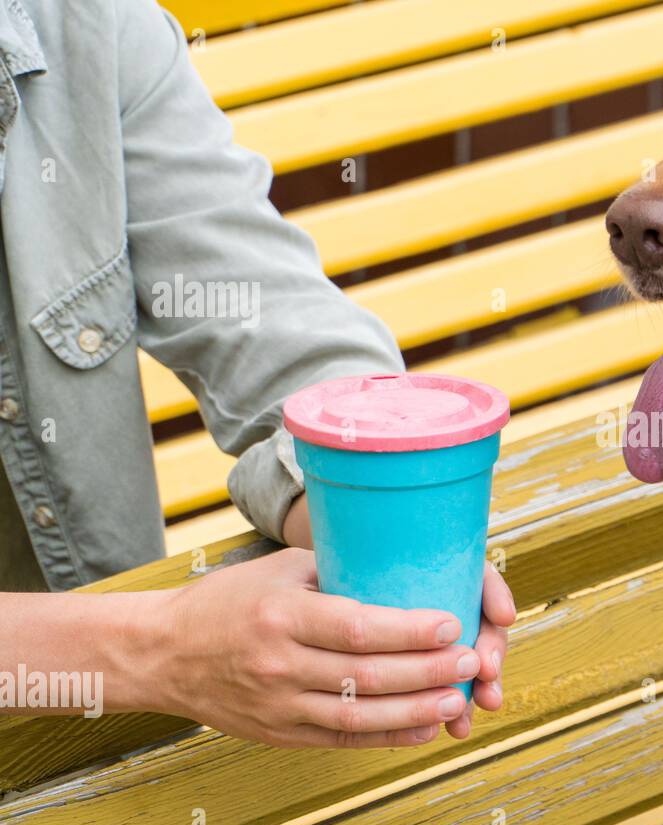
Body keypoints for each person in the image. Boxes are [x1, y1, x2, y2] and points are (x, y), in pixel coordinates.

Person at [0, 0, 511, 746]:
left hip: (99, 767)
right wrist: (160, 649)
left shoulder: (85, 27)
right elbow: (160, 652)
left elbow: (277, 333)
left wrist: (381, 565)